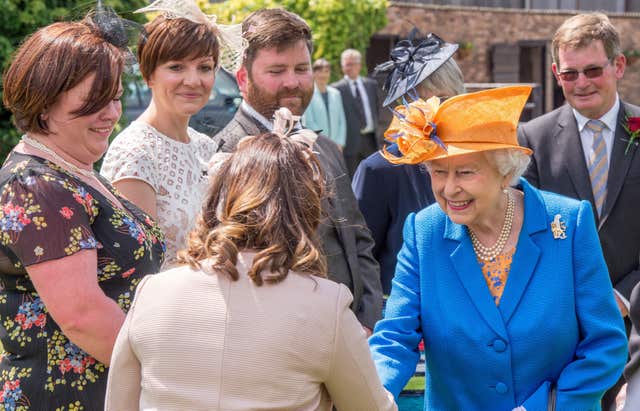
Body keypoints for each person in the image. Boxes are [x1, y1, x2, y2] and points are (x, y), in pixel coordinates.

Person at [104, 117, 398, 410]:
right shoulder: (325, 305)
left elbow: (119, 404)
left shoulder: (152, 293)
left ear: (218, 199)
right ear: (308, 210)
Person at [368, 85, 628, 410]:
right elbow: (395, 334)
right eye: (438, 173)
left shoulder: (568, 223)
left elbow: (606, 344)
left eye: (465, 172)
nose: (450, 189)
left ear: (505, 172)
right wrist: (377, 392)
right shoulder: (425, 231)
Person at [0, 11, 165, 411]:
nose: (112, 114)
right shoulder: (35, 186)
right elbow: (82, 315)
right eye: (94, 101)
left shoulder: (76, 173)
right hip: (63, 398)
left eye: (114, 97)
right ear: (45, 101)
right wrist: (170, 378)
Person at [213, 8, 383, 333]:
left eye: (301, 69)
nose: (292, 82)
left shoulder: (327, 149)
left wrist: (366, 322)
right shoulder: (228, 154)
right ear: (243, 78)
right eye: (276, 70)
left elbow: (359, 242)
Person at [517, 13, 640, 409]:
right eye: (570, 74)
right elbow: (527, 234)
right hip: (563, 332)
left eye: (592, 70)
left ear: (618, 65)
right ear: (556, 73)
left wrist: (621, 298)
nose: (582, 83)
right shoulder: (532, 138)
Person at [101, 0, 243, 268]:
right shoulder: (135, 153)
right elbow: (140, 269)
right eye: (176, 67)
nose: (193, 80)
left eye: (204, 67)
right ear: (148, 74)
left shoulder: (205, 147)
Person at [352, 31, 464, 294]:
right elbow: (361, 259)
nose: (439, 111)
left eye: (448, 100)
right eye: (430, 101)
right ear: (409, 103)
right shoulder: (379, 170)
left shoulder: (475, 158)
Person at [332, 49, 381, 177]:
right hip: (350, 142)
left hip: (371, 140)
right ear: (342, 67)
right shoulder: (336, 89)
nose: (350, 67)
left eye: (354, 63)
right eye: (347, 64)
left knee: (373, 176)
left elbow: (376, 109)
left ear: (360, 66)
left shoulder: (371, 85)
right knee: (352, 179)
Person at [302, 58, 347, 148]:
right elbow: (309, 122)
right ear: (313, 73)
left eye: (326, 71)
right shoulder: (308, 93)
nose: (323, 75)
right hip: (317, 144)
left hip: (336, 145)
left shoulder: (336, 93)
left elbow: (341, 121)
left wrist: (340, 143)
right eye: (319, 71)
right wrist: (325, 143)